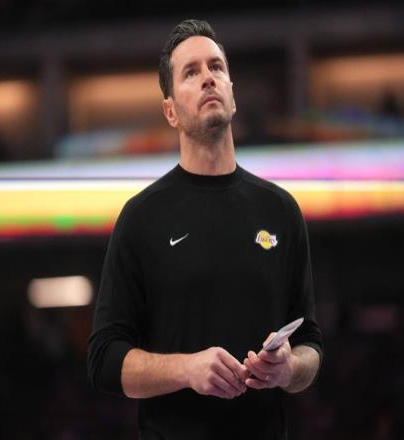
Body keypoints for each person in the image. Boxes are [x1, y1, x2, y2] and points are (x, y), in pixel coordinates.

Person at [87, 19, 323, 439]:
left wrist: (289, 368)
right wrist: (187, 369)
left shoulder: (281, 210)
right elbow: (103, 360)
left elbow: (311, 345)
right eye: (191, 73)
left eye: (216, 67)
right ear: (170, 111)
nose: (208, 78)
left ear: (232, 93)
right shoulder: (141, 217)